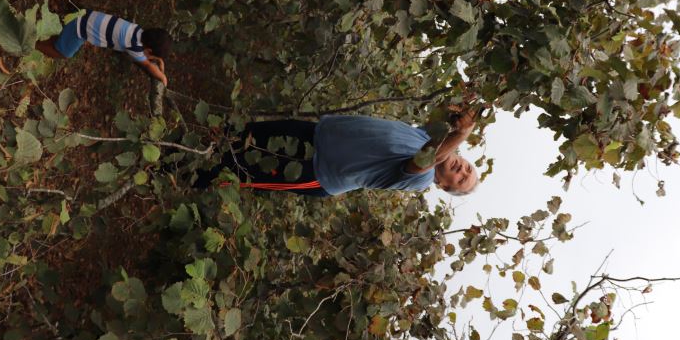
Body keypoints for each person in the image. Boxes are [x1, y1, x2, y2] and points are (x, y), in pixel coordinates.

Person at [194, 109, 478, 197]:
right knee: (249, 133)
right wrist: (464, 116)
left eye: (462, 179)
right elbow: (447, 118)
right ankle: (193, 138)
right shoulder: (429, 136)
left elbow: (424, 160)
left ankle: (186, 173)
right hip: (320, 133)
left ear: (444, 186)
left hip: (318, 172)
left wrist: (462, 134)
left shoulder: (422, 179)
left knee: (241, 171)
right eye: (468, 167)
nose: (463, 170)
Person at [36, 10, 172, 86]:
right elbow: (148, 65)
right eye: (151, 55)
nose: (149, 58)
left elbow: (148, 59)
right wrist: (163, 77)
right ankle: (33, 45)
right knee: (64, 53)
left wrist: (160, 61)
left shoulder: (136, 31)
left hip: (83, 15)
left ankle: (44, 39)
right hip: (79, 29)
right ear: (148, 50)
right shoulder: (134, 46)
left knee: (62, 39)